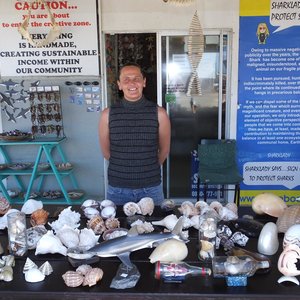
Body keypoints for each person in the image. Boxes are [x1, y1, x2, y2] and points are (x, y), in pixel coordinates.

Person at [98, 63, 171, 205]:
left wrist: (146, 169)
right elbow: (106, 152)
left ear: (144, 82)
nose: (131, 83)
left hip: (151, 189)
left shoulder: (159, 113)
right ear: (119, 85)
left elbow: (164, 150)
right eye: (126, 79)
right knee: (117, 227)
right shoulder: (107, 115)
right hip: (117, 190)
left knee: (154, 226)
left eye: (136, 78)